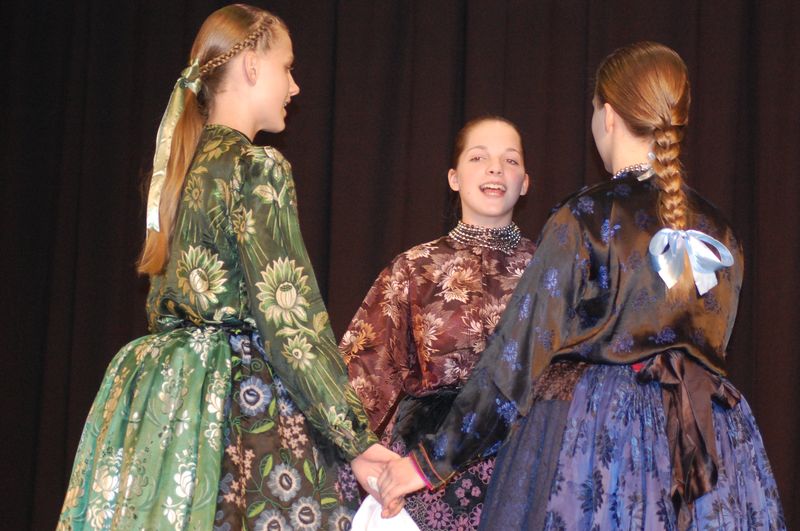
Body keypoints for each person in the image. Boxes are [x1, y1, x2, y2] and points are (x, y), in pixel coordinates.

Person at [377, 42, 785, 530]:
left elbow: (515, 358)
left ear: (607, 115)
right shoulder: (722, 232)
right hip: (710, 442)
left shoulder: (588, 215)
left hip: (605, 439)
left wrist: (428, 463)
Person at [56, 5, 395, 530]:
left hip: (161, 392)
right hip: (233, 396)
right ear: (253, 66)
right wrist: (356, 439)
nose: (295, 86)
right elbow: (289, 320)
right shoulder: (255, 166)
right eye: (287, 67)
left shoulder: (179, 170)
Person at [341, 117, 535, 530]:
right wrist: (361, 454)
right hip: (426, 474)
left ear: (525, 182)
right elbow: (360, 373)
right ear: (453, 177)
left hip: (524, 463)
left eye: (510, 160)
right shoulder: (414, 268)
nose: (495, 168)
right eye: (478, 157)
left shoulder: (550, 273)